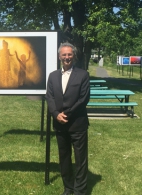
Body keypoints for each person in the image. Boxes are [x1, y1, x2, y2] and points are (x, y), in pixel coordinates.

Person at [46, 42, 90, 195]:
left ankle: (80, 190)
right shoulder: (53, 76)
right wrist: (55, 114)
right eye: (64, 55)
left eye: (69, 54)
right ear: (59, 57)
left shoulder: (83, 75)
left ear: (74, 56)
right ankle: (68, 187)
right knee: (64, 158)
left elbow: (83, 99)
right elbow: (49, 97)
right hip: (59, 125)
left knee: (80, 160)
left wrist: (67, 113)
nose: (67, 57)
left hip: (77, 124)